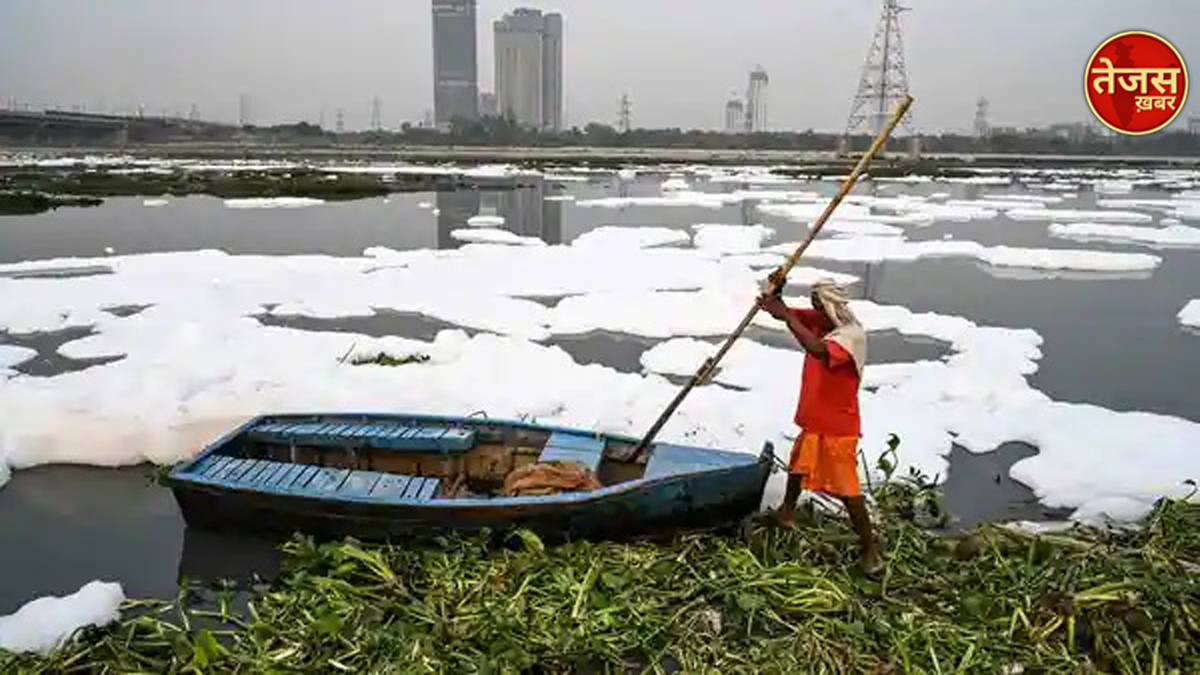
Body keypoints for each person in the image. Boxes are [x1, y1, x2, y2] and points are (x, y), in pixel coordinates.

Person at [756, 274, 882, 573]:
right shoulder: (823, 323)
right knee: (798, 466)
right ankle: (786, 514)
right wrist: (776, 292)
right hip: (816, 418)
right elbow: (783, 312)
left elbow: (817, 349)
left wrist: (785, 314)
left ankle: (870, 547)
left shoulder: (850, 336)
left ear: (832, 306)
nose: (814, 311)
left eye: (818, 305)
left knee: (847, 489)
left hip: (838, 425)